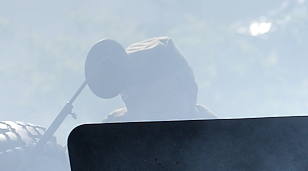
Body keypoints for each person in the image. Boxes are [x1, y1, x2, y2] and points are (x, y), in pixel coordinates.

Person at [84, 36, 214, 121]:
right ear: (125, 100)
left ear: (191, 94)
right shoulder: (107, 138)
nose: (152, 107)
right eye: (139, 97)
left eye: (162, 94)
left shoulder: (222, 140)